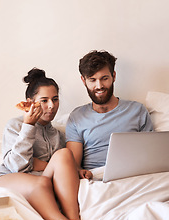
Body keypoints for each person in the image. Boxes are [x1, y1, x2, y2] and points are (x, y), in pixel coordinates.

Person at [0, 68, 82, 220]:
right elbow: (16, 166)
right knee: (41, 184)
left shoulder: (58, 136)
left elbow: (56, 170)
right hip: (7, 177)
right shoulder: (16, 125)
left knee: (63, 155)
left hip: (40, 181)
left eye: (55, 99)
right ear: (30, 102)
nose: (51, 106)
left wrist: (75, 170)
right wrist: (28, 125)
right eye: (44, 100)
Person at [66, 50, 154, 179]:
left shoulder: (137, 110)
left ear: (113, 76)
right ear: (83, 81)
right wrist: (81, 172)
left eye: (104, 78)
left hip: (133, 176)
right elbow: (74, 166)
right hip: (96, 179)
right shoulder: (77, 117)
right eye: (92, 80)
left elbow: (151, 154)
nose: (99, 86)